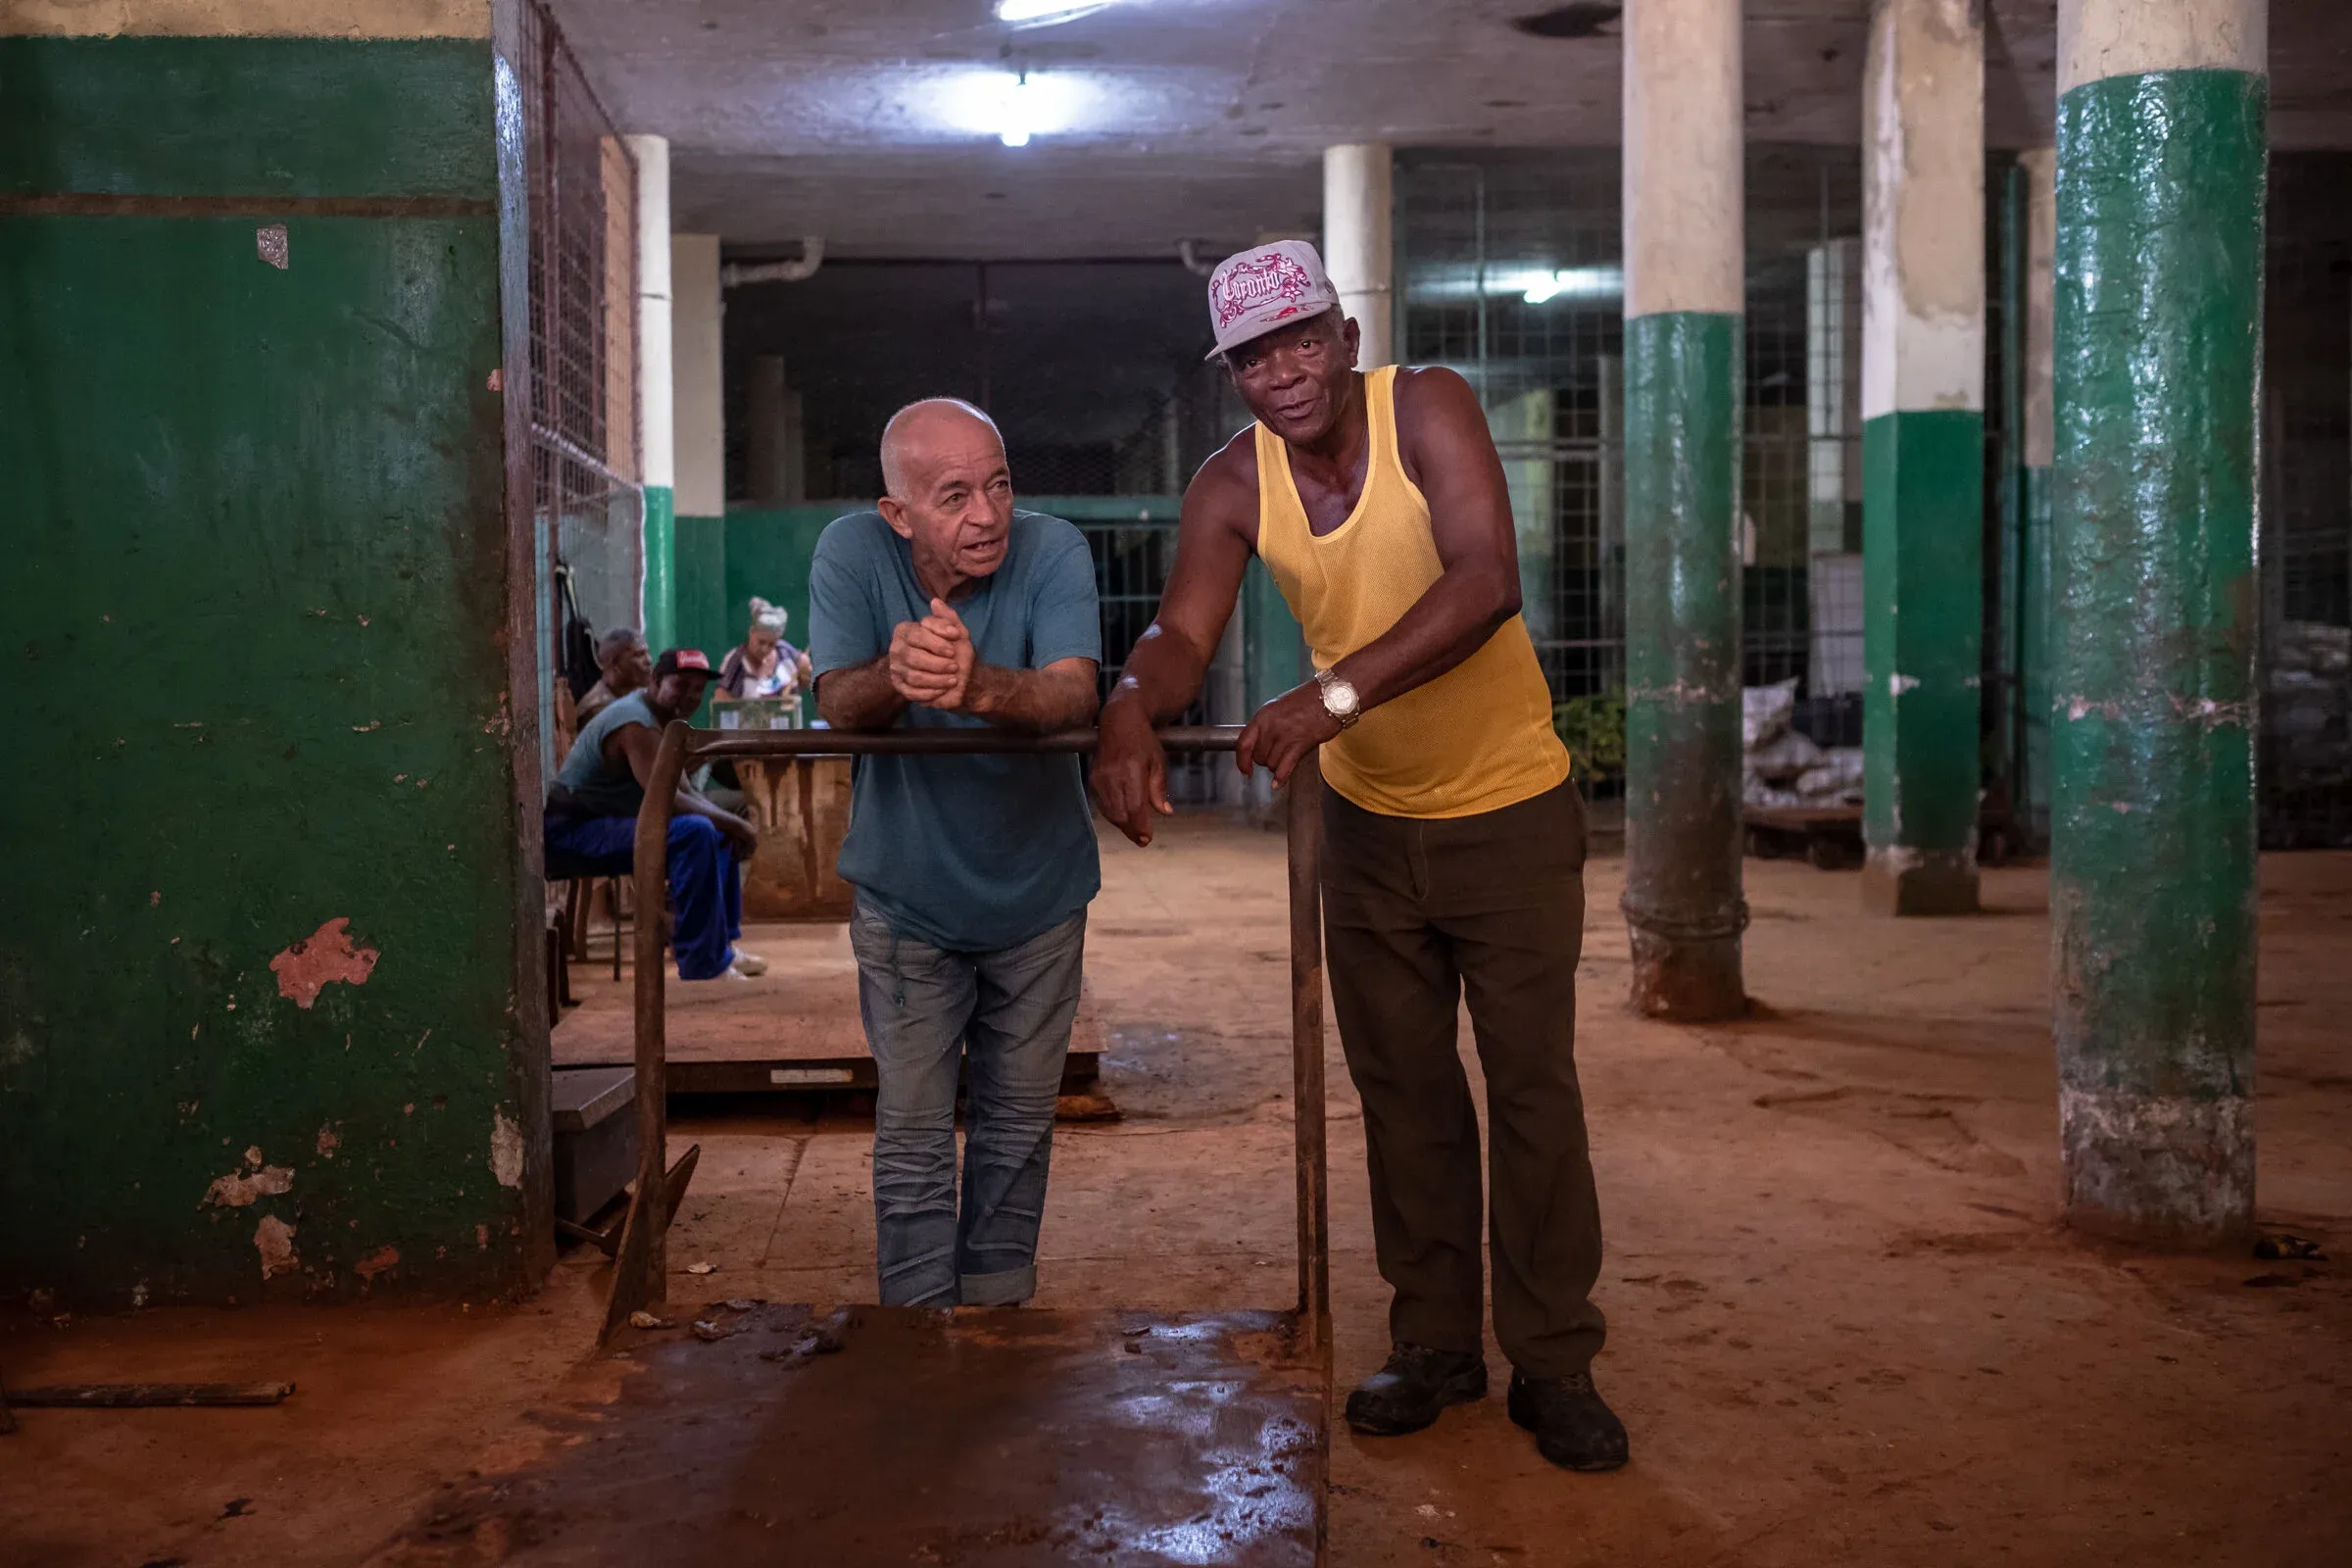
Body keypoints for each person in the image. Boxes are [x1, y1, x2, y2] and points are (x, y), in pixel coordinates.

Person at [1093, 241, 1627, 1472]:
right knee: (1404, 1091)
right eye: (1252, 356)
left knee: (1532, 1091)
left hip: (1507, 807)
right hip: (1370, 831)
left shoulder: (1424, 403)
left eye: (1299, 339)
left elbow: (1487, 578)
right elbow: (1183, 627)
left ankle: (1555, 1360)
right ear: (1231, 373)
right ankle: (1437, 1344)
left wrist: (1329, 698)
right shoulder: (1234, 483)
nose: (1282, 372)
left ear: (1341, 332)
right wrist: (1131, 698)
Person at [809, 398, 1102, 1309]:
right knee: (913, 1132)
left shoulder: (1054, 551)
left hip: (1039, 897)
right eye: (954, 496)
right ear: (898, 515)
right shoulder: (852, 553)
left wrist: (975, 684)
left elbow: (1073, 696)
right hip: (908, 902)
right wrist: (894, 675)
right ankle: (916, 1327)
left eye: (1000, 484)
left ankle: (998, 1316)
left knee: (1018, 1128)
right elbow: (837, 703)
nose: (987, 515)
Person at [545, 648, 767, 981]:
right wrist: (740, 825)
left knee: (718, 831)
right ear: (655, 681)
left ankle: (719, 946)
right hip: (571, 833)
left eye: (697, 689)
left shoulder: (663, 719)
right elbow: (668, 798)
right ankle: (702, 963)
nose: (691, 695)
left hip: (606, 824)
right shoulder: (636, 723)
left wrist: (732, 825)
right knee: (696, 832)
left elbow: (685, 792)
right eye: (681, 685)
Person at [718, 597, 814, 704]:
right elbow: (722, 706)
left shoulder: (786, 654)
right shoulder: (736, 661)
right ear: (751, 632)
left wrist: (805, 673)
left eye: (771, 644)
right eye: (761, 642)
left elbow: (804, 679)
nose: (765, 649)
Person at [574, 626, 651, 724]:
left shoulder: (629, 695)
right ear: (615, 664)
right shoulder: (600, 708)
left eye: (647, 653)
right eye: (639, 655)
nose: (649, 660)